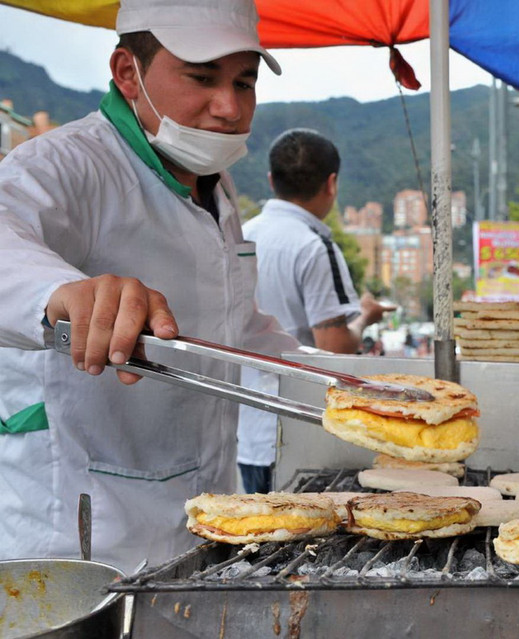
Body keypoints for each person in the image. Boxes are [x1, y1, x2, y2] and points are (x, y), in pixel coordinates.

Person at [0, 0, 300, 572]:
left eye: (243, 82)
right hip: (82, 529)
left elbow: (234, 325)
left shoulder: (217, 187)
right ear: (128, 73)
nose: (228, 107)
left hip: (200, 509)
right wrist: (64, 292)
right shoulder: (68, 164)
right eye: (202, 77)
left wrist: (349, 383)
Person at [236, 130, 391, 493]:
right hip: (299, 432)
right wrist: (366, 317)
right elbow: (334, 346)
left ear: (272, 180)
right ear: (332, 183)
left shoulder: (241, 235)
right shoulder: (313, 245)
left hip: (247, 431)